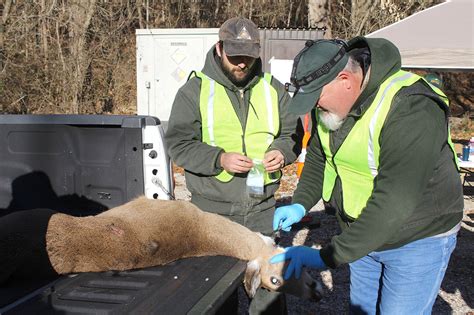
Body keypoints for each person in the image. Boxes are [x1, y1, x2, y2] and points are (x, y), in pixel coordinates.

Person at [270, 37, 463, 314]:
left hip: (418, 236)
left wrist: (326, 256)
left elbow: (394, 201)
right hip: (362, 233)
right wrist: (300, 203)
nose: (316, 107)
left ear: (345, 79)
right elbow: (319, 157)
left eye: (317, 98)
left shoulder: (411, 107)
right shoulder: (329, 104)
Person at [165, 17, 301, 314]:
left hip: (262, 208)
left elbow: (293, 134)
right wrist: (219, 159)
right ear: (219, 48)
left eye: (248, 57)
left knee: (269, 290)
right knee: (214, 293)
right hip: (213, 213)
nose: (242, 63)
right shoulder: (194, 91)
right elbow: (179, 144)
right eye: (235, 56)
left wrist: (282, 151)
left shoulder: (273, 89)